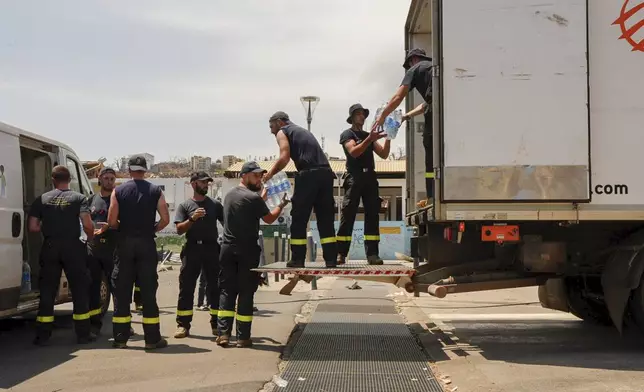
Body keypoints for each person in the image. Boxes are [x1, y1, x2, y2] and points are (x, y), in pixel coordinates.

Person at [216, 161, 289, 347]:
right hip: (247, 250)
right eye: (256, 176)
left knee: (227, 290)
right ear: (244, 175)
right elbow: (269, 218)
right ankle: (243, 337)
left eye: (259, 176)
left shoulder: (230, 196)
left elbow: (246, 209)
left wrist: (260, 199)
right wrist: (281, 205)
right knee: (246, 292)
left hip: (227, 249)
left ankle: (223, 333)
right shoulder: (253, 198)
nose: (259, 179)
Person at [107, 155, 170, 350]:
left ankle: (120, 338)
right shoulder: (156, 191)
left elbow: (111, 221)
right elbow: (165, 219)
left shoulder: (118, 191)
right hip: (146, 243)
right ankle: (152, 339)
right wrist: (152, 229)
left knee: (122, 291)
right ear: (145, 170)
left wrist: (123, 227)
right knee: (149, 292)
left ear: (129, 170)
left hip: (124, 243)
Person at [28, 166, 95, 345]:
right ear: (70, 178)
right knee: (79, 290)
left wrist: (51, 227)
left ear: (53, 179)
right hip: (73, 247)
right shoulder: (79, 198)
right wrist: (89, 237)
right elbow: (87, 224)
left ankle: (42, 335)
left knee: (48, 290)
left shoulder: (41, 199)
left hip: (50, 247)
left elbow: (33, 227)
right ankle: (83, 334)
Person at [264, 111, 337, 268]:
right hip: (326, 174)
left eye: (272, 127)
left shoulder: (283, 131)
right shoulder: (302, 131)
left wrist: (269, 175)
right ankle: (331, 259)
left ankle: (298, 259)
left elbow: (284, 157)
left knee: (298, 218)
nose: (272, 131)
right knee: (325, 219)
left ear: (280, 122)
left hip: (308, 174)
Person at [372, 48, 434, 207]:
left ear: (413, 60)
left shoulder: (415, 69)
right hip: (444, 117)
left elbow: (398, 97)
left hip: (434, 119)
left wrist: (383, 116)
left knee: (430, 158)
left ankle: (432, 196)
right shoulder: (434, 69)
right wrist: (406, 116)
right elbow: (425, 105)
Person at [336, 104, 390, 265]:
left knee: (372, 214)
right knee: (348, 213)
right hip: (354, 177)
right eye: (358, 114)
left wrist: (389, 137)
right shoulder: (348, 134)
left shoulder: (369, 135)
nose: (361, 116)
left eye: (363, 114)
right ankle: (341, 253)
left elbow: (384, 154)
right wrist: (370, 139)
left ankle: (373, 254)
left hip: (370, 177)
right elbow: (354, 151)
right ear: (352, 117)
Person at [173, 171, 224, 339]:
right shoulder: (184, 206)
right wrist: (193, 219)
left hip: (211, 249)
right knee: (186, 287)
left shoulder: (215, 205)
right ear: (193, 184)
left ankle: (217, 324)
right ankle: (183, 325)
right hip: (192, 249)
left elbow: (227, 224)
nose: (206, 185)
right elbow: (179, 230)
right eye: (202, 182)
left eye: (207, 183)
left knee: (215, 287)